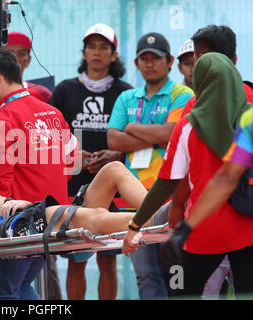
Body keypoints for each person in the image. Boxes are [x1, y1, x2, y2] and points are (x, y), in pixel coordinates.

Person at [0, 161, 168, 300]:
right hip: (50, 223)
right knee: (98, 218)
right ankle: (163, 217)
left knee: (113, 170)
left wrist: (22, 203)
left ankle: (158, 208)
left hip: (48, 216)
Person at [123, 53, 253, 298]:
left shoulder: (188, 126)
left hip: (202, 231)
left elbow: (166, 184)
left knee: (180, 289)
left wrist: (135, 224)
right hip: (248, 229)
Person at [0, 47, 79, 299]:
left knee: (2, 292)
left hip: (15, 227)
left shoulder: (1, 118)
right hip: (51, 221)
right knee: (20, 288)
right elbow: (72, 161)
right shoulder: (53, 113)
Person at [166, 25, 253, 299]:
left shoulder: (194, 107)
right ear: (236, 60)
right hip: (245, 225)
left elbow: (184, 169)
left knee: (182, 290)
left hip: (205, 226)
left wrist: (177, 208)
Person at [107, 32, 194, 299]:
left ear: (169, 62)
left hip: (171, 198)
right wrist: (152, 135)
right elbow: (113, 139)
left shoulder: (182, 94)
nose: (149, 64)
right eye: (144, 59)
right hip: (134, 201)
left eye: (155, 59)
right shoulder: (127, 98)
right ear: (135, 63)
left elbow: (170, 134)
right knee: (145, 275)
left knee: (177, 274)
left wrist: (131, 128)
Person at [49, 23, 131, 300]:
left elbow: (132, 139)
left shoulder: (126, 92)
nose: (96, 53)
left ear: (113, 55)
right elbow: (52, 136)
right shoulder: (64, 90)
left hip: (114, 185)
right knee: (77, 257)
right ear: (83, 53)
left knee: (108, 258)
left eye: (103, 47)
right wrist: (75, 155)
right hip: (75, 185)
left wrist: (116, 155)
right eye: (91, 46)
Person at [5, 31, 61, 300]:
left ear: (29, 58)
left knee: (11, 285)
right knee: (7, 283)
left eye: (22, 53)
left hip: (39, 204)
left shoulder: (42, 95)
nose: (17, 58)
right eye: (11, 53)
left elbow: (62, 147)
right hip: (10, 201)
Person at [5, 31, 52, 103]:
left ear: (28, 60)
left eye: (21, 54)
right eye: (9, 53)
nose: (15, 58)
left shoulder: (41, 94)